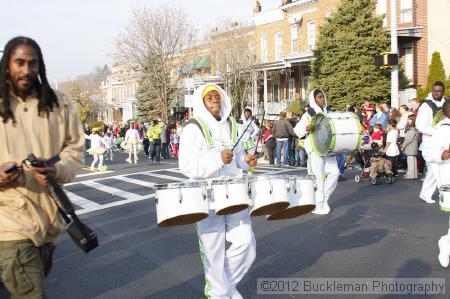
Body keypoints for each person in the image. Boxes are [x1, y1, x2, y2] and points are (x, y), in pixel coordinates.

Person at [0, 36, 84, 298]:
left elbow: (74, 149)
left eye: (32, 63)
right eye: (20, 63)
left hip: (49, 218)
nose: (26, 70)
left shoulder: (58, 104)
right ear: (7, 66)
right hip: (9, 220)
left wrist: (56, 169)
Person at [179, 84, 257, 299]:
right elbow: (187, 166)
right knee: (213, 249)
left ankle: (225, 286)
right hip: (206, 196)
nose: (214, 100)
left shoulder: (233, 124)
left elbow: (238, 157)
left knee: (246, 243)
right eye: (209, 98)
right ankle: (218, 293)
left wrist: (245, 160)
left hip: (234, 192)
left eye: (217, 96)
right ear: (201, 103)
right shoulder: (192, 127)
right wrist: (216, 159)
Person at [294, 89, 340, 215]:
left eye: (323, 97)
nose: (323, 99)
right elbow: (297, 130)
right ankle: (320, 204)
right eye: (320, 97)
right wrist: (306, 128)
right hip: (315, 148)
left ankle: (324, 199)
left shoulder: (328, 112)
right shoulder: (309, 114)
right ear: (313, 99)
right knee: (319, 177)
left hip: (328, 148)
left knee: (335, 173)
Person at [422, 99, 450, 267]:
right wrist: (441, 154)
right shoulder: (443, 130)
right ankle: (446, 243)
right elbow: (427, 152)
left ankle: (446, 243)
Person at [416, 81, 447, 204]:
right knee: (435, 170)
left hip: (445, 142)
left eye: (439, 91)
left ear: (443, 91)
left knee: (438, 171)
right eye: (434, 90)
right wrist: (435, 131)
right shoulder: (426, 105)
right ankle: (443, 194)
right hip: (431, 143)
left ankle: (426, 193)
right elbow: (420, 125)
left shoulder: (446, 103)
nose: (436, 93)